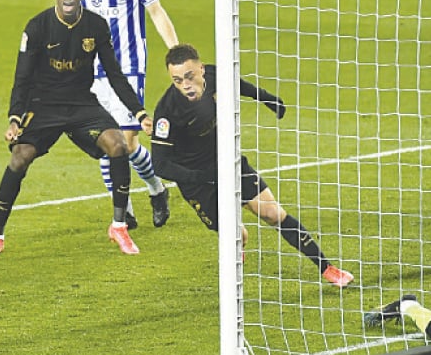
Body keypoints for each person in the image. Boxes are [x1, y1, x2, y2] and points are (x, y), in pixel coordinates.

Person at [150, 44, 355, 288]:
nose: (185, 85)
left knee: (273, 213)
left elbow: (237, 84)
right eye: (177, 80)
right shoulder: (167, 112)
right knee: (238, 235)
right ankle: (238, 244)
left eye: (189, 76)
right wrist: (202, 176)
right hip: (197, 182)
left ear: (201, 69)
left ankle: (328, 268)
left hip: (228, 162)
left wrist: (266, 98)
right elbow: (160, 165)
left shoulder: (214, 76)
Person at [0, 0, 153, 258]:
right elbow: (22, 77)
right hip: (43, 105)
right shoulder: (37, 27)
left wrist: (139, 112)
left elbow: (114, 73)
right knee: (20, 157)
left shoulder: (96, 26)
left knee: (118, 145)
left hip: (82, 104)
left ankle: (119, 226)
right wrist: (15, 118)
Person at [73, 0, 178, 230]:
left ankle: (156, 189)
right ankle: (125, 212)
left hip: (129, 68)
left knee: (128, 144)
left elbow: (156, 11)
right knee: (106, 142)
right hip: (93, 73)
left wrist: (176, 54)